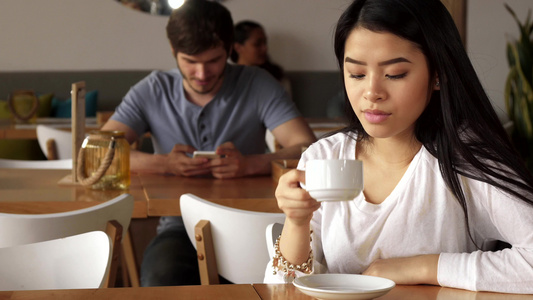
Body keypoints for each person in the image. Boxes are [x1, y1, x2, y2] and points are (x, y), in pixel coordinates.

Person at [265, 0, 533, 294]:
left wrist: (421, 267)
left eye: (395, 74)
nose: (372, 92)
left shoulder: (467, 158)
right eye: (356, 74)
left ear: (438, 75)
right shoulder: (324, 157)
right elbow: (282, 290)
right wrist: (296, 221)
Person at [101, 0, 316, 286]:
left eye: (213, 61)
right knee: (159, 277)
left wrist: (250, 164)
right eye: (190, 62)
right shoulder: (153, 89)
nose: (202, 74)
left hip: (253, 223)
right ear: (172, 50)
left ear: (230, 49)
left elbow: (306, 147)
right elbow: (101, 151)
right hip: (178, 227)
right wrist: (163, 163)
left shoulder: (257, 83)